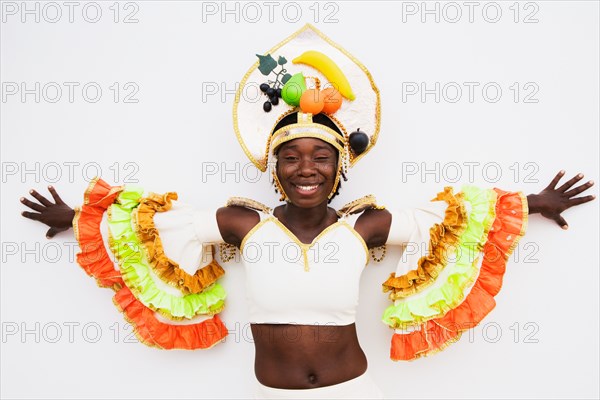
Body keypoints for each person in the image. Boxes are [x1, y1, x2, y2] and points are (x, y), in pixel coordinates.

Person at [19, 25, 596, 399]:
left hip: (354, 388)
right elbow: (152, 230)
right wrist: (75, 218)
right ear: (274, 170)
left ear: (340, 167)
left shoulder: (367, 225)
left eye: (321, 157)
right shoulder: (240, 224)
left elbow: (453, 222)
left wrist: (533, 203)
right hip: (267, 391)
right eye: (290, 158)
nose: (306, 169)